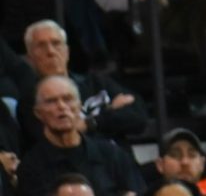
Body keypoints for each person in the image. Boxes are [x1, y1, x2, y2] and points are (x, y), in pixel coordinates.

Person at [16, 20, 146, 150]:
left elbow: (138, 118)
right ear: (30, 58)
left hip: (122, 163)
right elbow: (56, 141)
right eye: (41, 46)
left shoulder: (97, 83)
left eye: (56, 43)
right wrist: (110, 112)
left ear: (67, 52)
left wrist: (89, 123)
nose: (50, 51)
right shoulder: (30, 102)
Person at [15, 76, 143, 196]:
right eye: (51, 101)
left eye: (67, 99)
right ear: (38, 113)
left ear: (79, 106)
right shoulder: (31, 167)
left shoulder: (112, 155)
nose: (61, 106)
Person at [152, 127, 206, 196]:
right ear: (160, 164)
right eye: (175, 155)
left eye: (192, 155)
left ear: (202, 163)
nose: (185, 162)